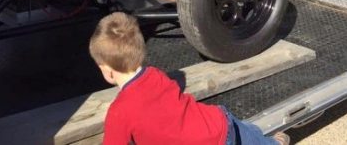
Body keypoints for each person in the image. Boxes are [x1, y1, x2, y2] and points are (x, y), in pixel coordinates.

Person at [89, 12, 290, 145]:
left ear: (106, 71)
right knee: (245, 132)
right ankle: (272, 143)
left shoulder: (119, 111)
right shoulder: (155, 75)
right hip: (219, 122)